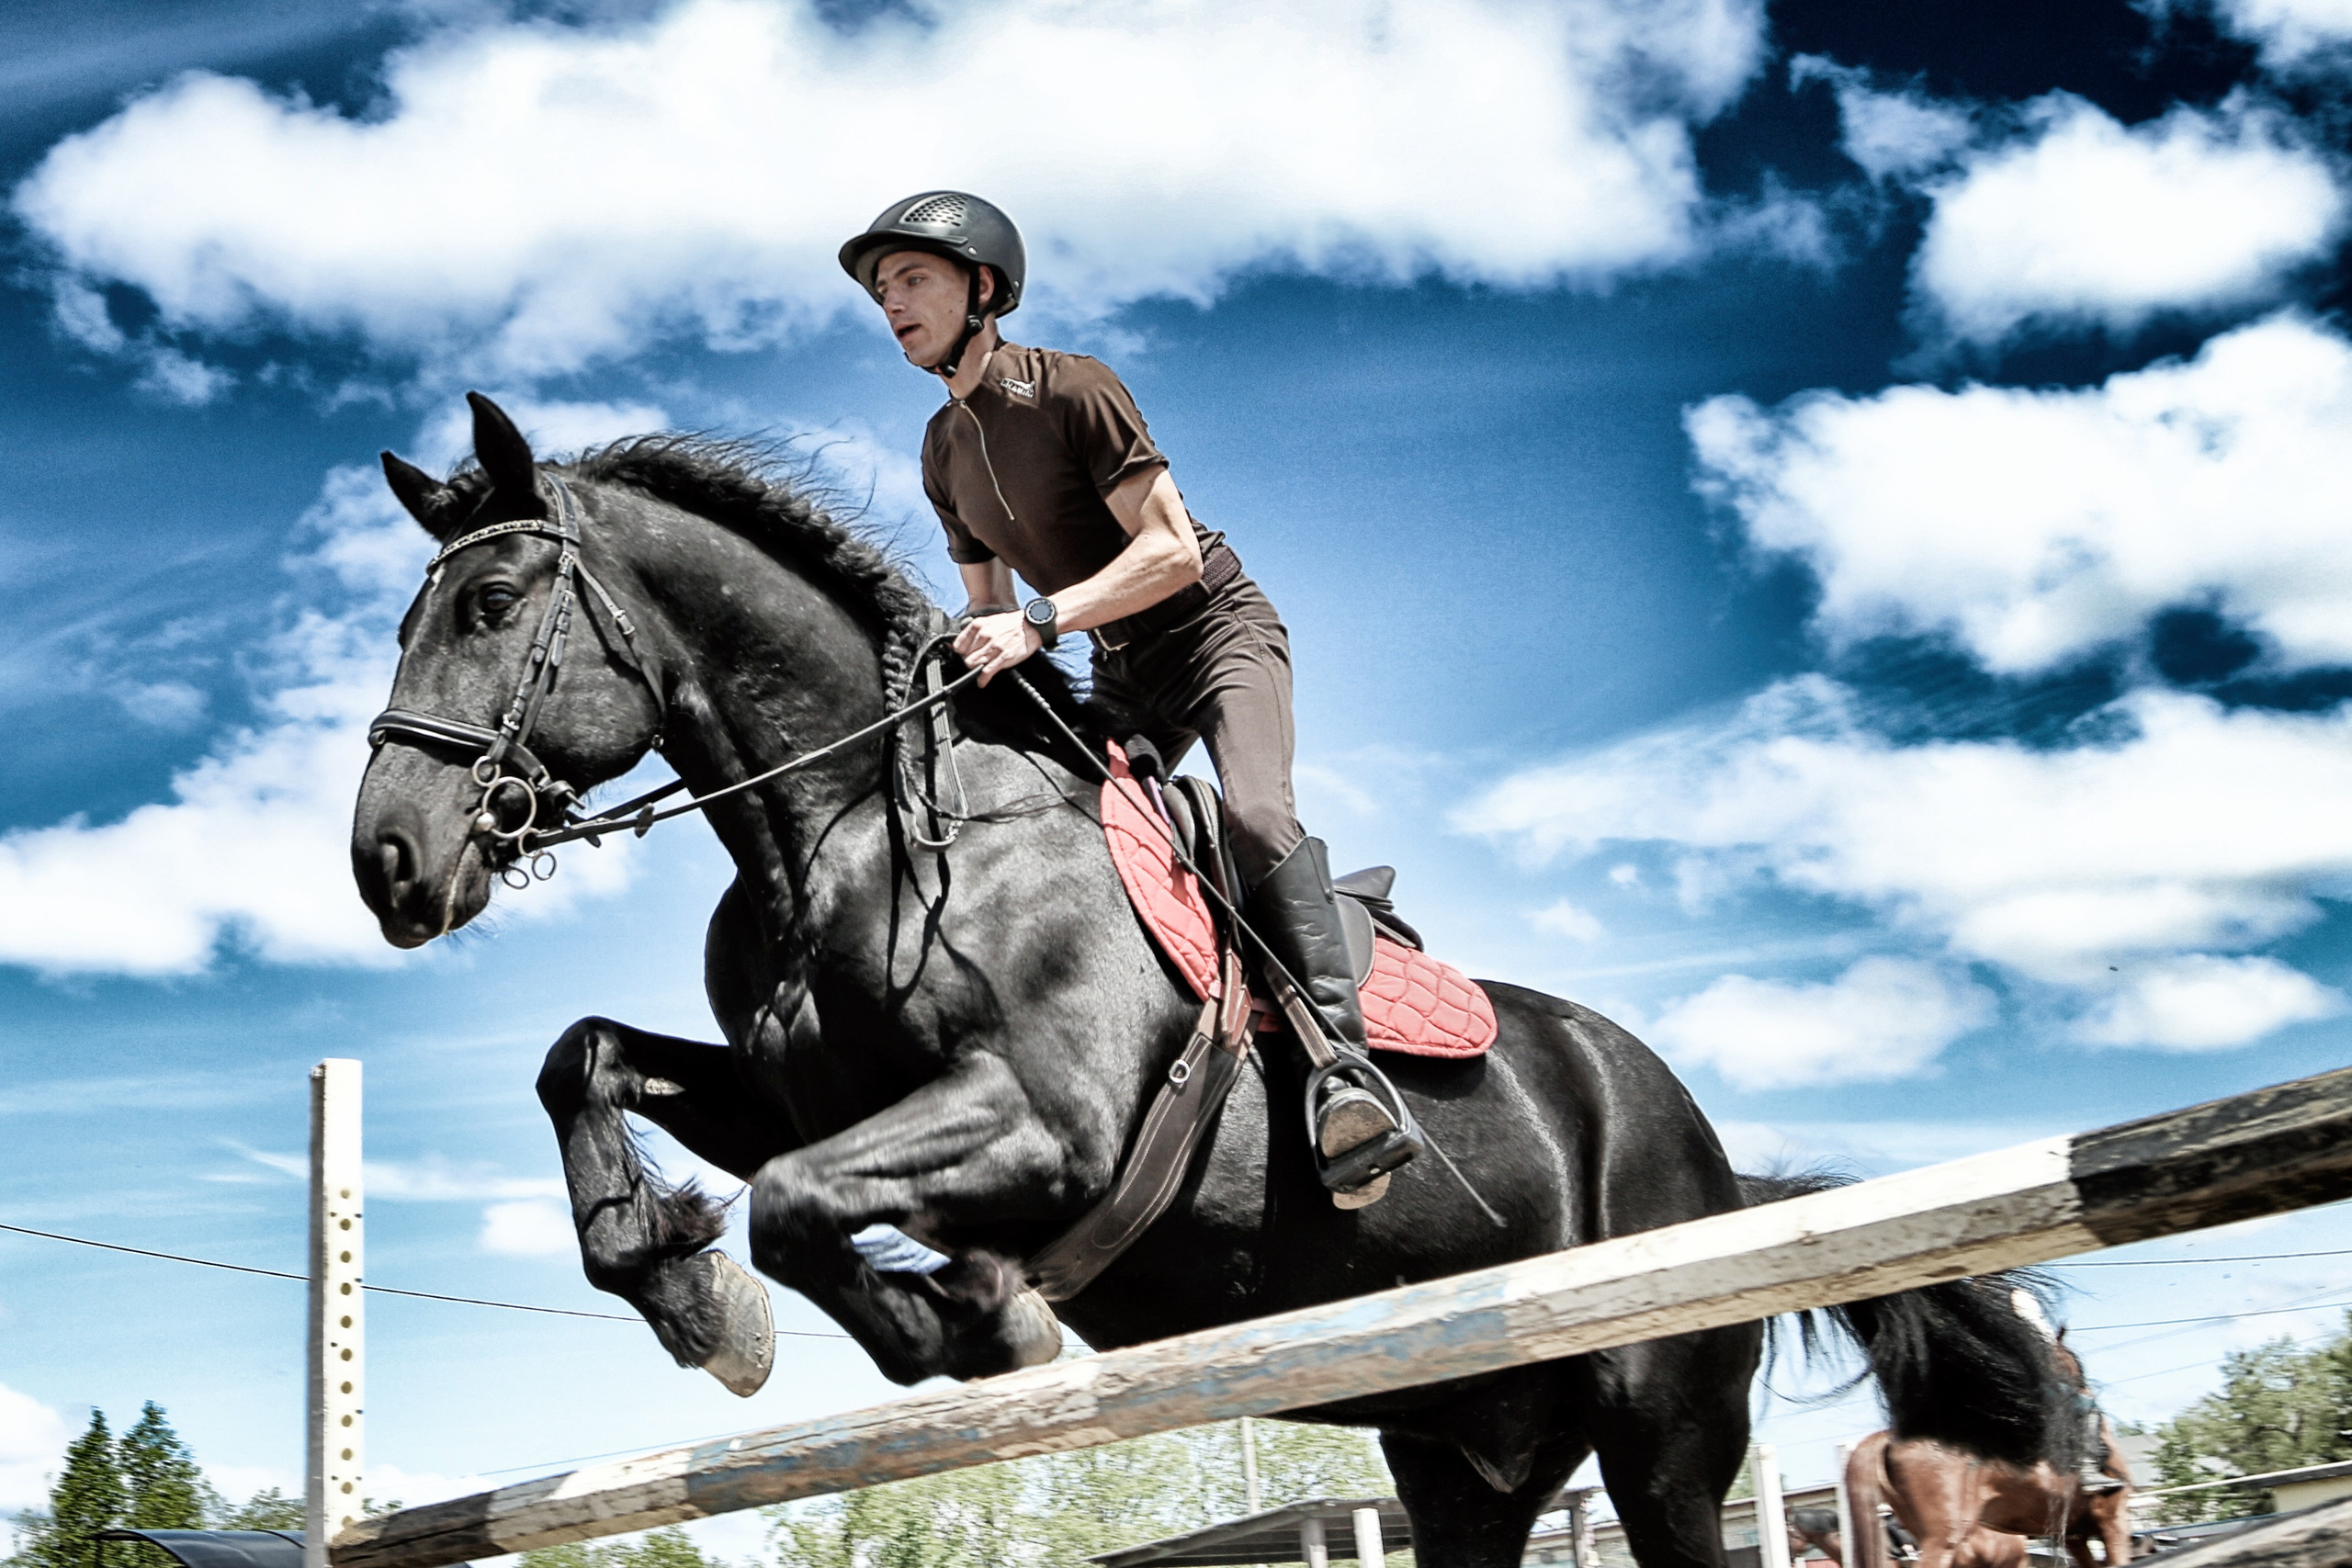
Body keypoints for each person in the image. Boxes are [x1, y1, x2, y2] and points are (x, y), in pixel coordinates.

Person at [838, 190, 1408, 1196]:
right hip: (1121, 675)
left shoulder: (1075, 389)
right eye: (883, 289)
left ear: (982, 287)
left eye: (914, 278)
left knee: (1256, 813)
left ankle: (1343, 1069)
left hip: (1215, 633)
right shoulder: (940, 449)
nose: (893, 302)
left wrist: (1042, 623)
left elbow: (1172, 552)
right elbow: (987, 608)